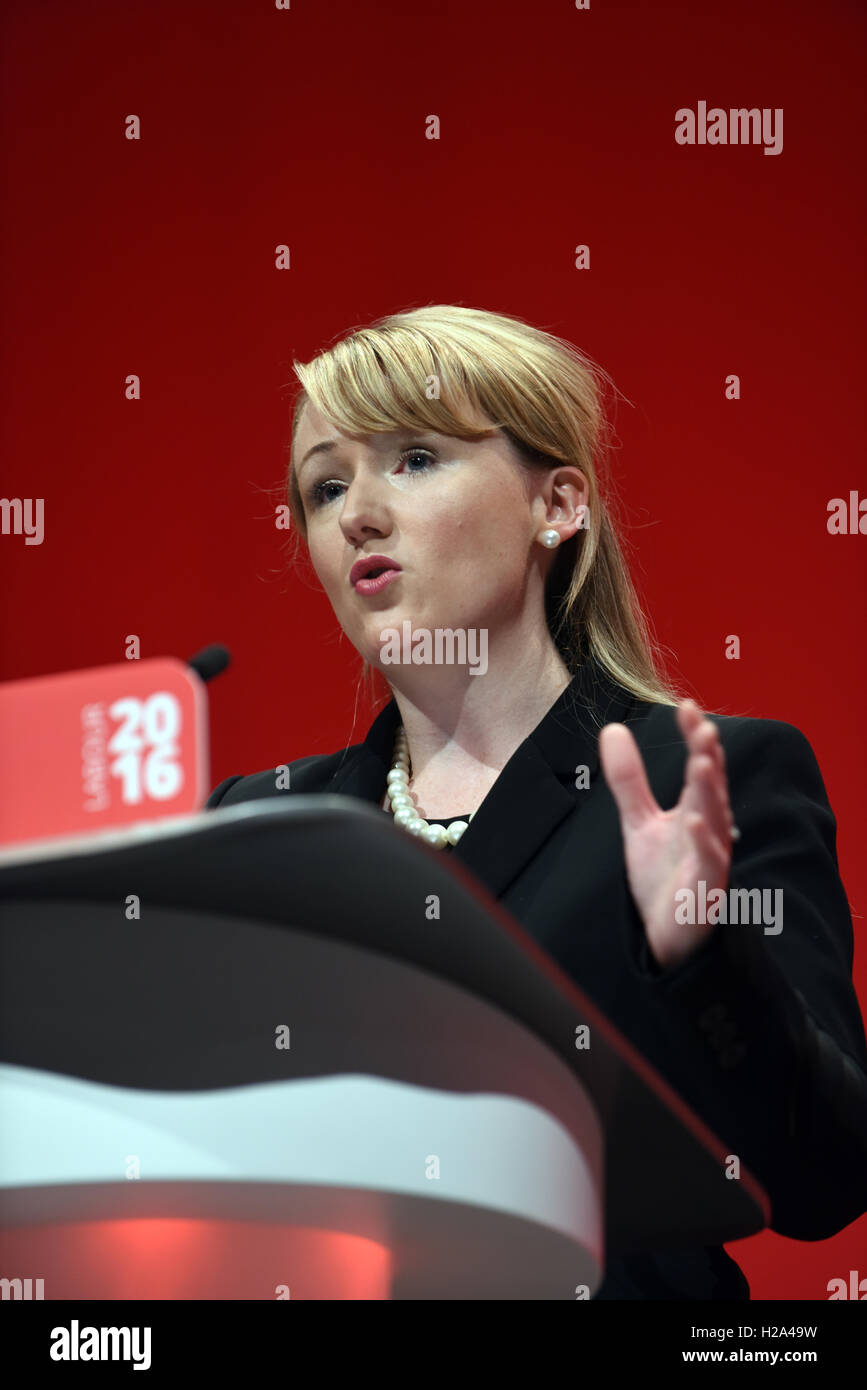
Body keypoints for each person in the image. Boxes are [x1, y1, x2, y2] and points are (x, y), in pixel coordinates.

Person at [206, 303, 867, 1299]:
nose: (356, 516)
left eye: (415, 459)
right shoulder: (257, 830)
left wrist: (699, 955)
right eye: (325, 486)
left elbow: (824, 1180)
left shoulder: (704, 782)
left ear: (556, 505)